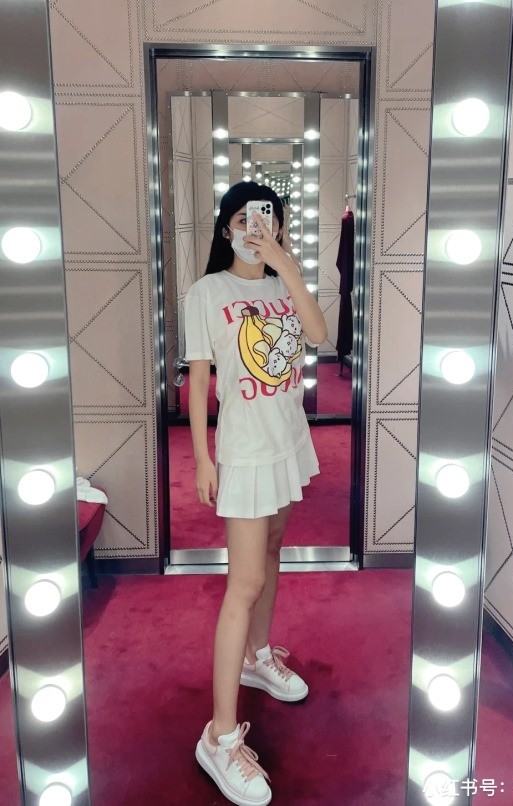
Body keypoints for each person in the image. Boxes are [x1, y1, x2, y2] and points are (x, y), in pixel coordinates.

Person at [184, 181, 328, 806]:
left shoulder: (282, 284)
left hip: (287, 443)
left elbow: (318, 334)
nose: (253, 229)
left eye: (265, 220)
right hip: (243, 452)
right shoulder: (207, 292)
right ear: (225, 229)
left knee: (272, 554)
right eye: (242, 220)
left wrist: (287, 266)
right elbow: (198, 382)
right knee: (242, 583)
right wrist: (202, 457)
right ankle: (218, 737)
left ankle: (257, 657)